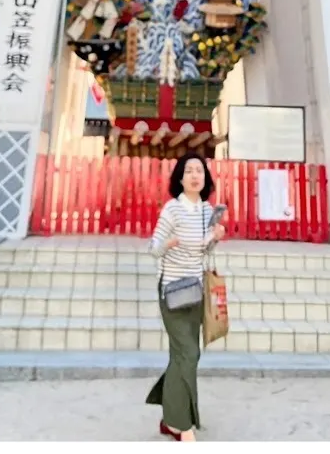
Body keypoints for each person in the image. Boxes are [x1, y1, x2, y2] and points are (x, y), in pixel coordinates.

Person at [146, 154, 225, 442]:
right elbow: (153, 248)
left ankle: (169, 418)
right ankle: (182, 424)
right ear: (180, 177)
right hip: (172, 292)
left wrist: (216, 236)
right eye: (189, 171)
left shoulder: (206, 210)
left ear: (205, 179)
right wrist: (167, 243)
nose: (195, 175)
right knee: (189, 353)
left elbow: (203, 251)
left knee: (181, 355)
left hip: (196, 291)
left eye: (200, 171)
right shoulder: (173, 209)